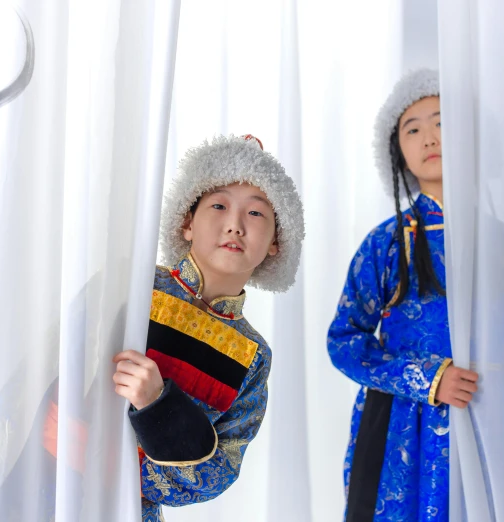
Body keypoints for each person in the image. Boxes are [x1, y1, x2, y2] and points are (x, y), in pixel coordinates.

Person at [112, 134, 305, 521]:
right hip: (49, 483)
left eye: (256, 213)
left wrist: (157, 406)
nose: (234, 225)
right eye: (218, 205)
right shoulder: (133, 286)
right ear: (187, 222)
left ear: (275, 243)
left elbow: (218, 472)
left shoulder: (253, 355)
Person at [327, 69, 478, 522]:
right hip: (399, 425)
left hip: (484, 414)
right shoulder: (387, 244)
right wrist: (428, 377)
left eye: (440, 121)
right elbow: (344, 339)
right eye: (412, 129)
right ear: (399, 153)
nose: (429, 137)